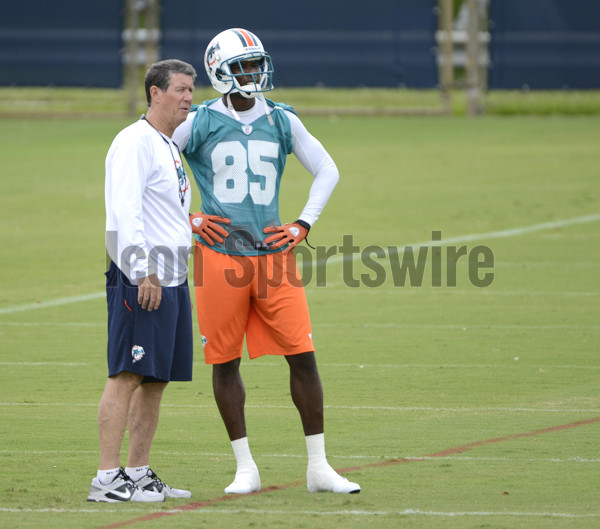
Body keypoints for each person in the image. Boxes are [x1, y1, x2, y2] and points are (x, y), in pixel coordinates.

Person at [173, 28, 360, 494]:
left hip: (274, 258)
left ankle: (319, 467)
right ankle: (245, 468)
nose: (254, 73)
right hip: (219, 256)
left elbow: (328, 168)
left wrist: (303, 224)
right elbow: (158, 167)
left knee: (303, 357)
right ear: (220, 72)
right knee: (225, 362)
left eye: (256, 64)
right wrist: (189, 217)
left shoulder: (281, 119)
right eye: (243, 66)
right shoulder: (196, 122)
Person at [88, 59, 197, 503]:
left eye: (192, 90)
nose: (189, 97)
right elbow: (124, 213)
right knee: (127, 373)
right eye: (181, 90)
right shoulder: (134, 142)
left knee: (156, 378)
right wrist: (142, 271)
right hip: (143, 276)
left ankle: (137, 471)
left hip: (173, 276)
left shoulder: (166, 143)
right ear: (155, 93)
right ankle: (107, 478)